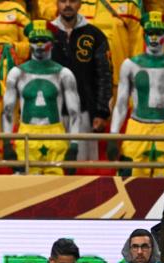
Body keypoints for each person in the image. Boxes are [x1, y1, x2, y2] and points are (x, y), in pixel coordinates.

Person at [109, 12, 164, 177]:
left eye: (158, 33)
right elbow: (121, 104)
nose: (153, 38)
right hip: (137, 127)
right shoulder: (130, 65)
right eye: (150, 33)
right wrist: (113, 134)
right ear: (144, 35)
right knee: (132, 180)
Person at [2, 20, 82, 175]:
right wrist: (6, 143)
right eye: (34, 41)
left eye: (43, 41)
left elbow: (74, 112)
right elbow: (7, 111)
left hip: (55, 135)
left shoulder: (64, 73)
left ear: (51, 43)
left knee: (58, 187)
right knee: (25, 188)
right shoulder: (17, 73)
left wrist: (74, 145)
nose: (39, 45)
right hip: (26, 134)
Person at [51, 0, 112, 162]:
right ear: (56, 3)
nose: (68, 5)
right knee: (50, 167)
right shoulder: (44, 34)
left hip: (84, 112)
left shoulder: (95, 35)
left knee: (82, 169)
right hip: (50, 114)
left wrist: (101, 112)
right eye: (63, 1)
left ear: (80, 4)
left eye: (73, 1)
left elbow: (104, 75)